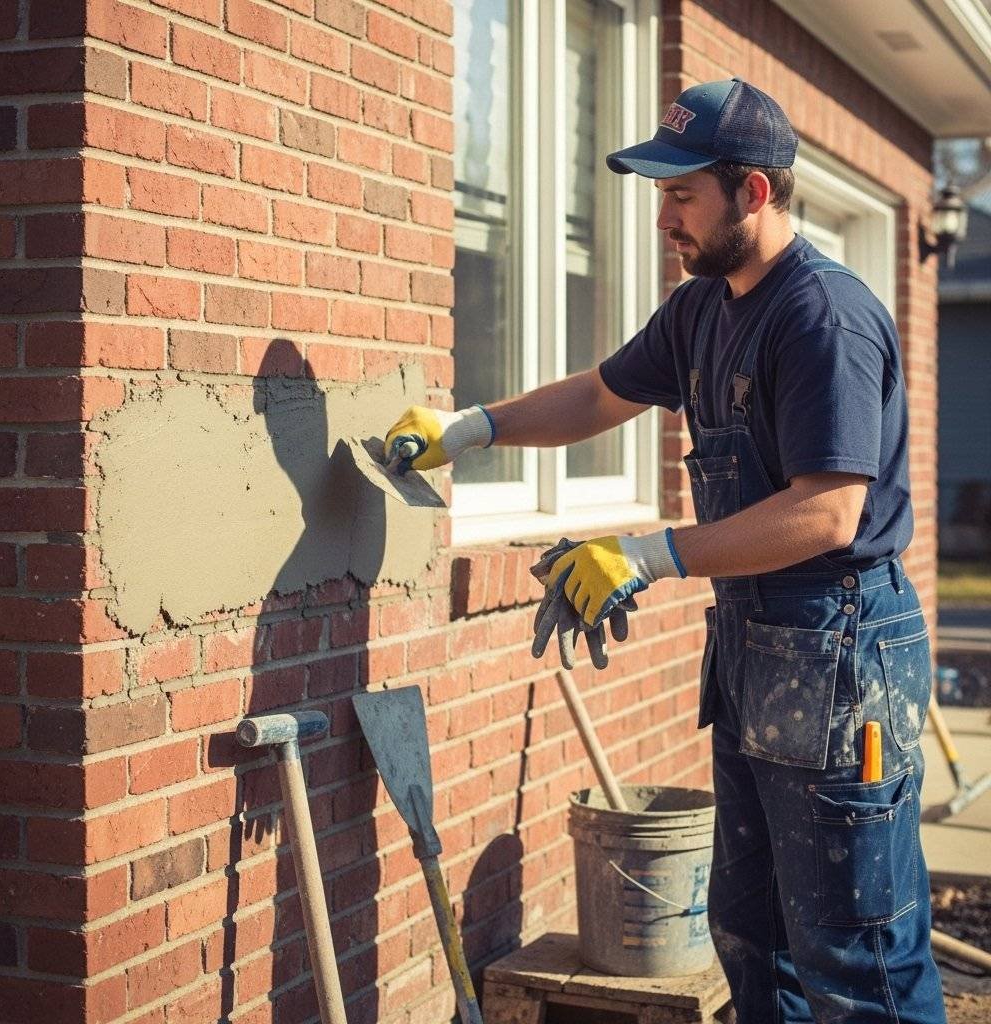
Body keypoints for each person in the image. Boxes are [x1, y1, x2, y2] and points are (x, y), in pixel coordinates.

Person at [384, 77, 945, 1024]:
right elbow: (601, 395)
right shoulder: (703, 309)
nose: (661, 217)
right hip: (762, 649)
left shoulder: (822, 318)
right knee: (753, 932)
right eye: (660, 193)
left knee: (856, 956)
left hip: (843, 655)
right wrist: (472, 427)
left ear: (754, 192)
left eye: (681, 194)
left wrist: (649, 554)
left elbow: (827, 513)